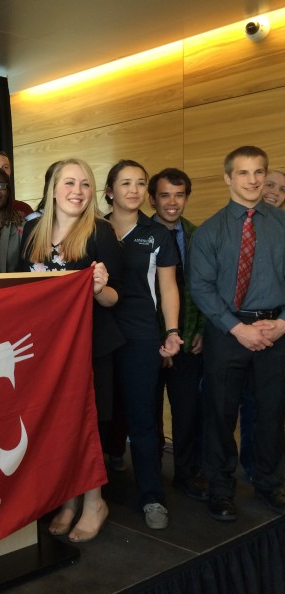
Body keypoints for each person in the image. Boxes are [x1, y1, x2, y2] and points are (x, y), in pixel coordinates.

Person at [17, 158, 123, 543]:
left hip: (89, 347)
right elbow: (17, 287)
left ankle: (94, 501)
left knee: (87, 424)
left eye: (85, 184)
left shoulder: (101, 231)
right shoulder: (31, 230)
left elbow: (113, 299)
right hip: (46, 349)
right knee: (60, 425)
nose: (78, 191)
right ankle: (69, 499)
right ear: (53, 189)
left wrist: (97, 288)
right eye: (69, 183)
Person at [189, 145, 285, 522]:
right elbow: (201, 287)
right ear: (228, 178)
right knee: (219, 413)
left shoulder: (281, 225)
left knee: (271, 413)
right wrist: (237, 328)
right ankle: (220, 488)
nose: (253, 180)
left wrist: (281, 325)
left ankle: (268, 482)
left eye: (259, 172)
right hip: (226, 332)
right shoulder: (211, 230)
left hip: (275, 331)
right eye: (243, 173)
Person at [105, 159, 182, 530]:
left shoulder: (157, 234)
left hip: (141, 335)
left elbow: (168, 287)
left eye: (139, 183)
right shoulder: (94, 229)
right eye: (125, 183)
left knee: (144, 419)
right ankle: (96, 491)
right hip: (100, 334)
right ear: (110, 191)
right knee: (101, 414)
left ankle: (152, 496)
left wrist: (170, 331)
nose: (133, 190)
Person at [148, 167, 207, 501]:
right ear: (152, 198)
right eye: (165, 195)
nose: (172, 202)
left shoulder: (198, 235)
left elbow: (204, 289)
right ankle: (151, 476)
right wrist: (160, 340)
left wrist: (202, 331)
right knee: (149, 413)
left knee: (188, 412)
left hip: (188, 340)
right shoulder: (139, 236)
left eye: (179, 194)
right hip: (149, 342)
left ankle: (186, 474)